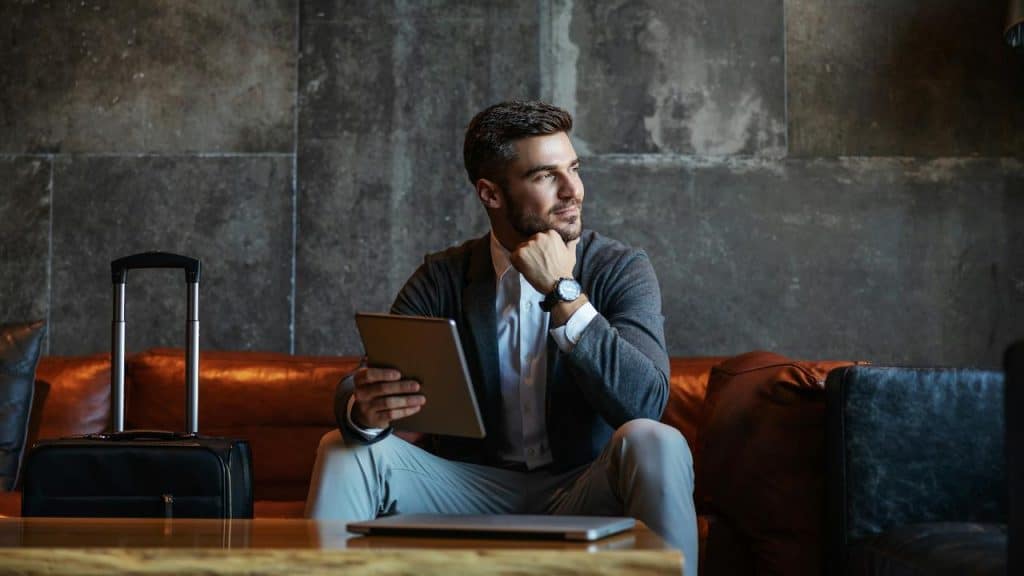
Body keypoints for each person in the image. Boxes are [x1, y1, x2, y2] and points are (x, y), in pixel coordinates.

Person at [305, 100, 698, 573]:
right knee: (341, 449)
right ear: (490, 194)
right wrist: (365, 410)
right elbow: (362, 381)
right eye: (545, 176)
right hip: (468, 489)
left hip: (583, 487)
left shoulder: (619, 269)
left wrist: (563, 292)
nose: (572, 190)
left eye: (573, 169)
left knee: (656, 441)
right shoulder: (443, 277)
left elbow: (645, 402)